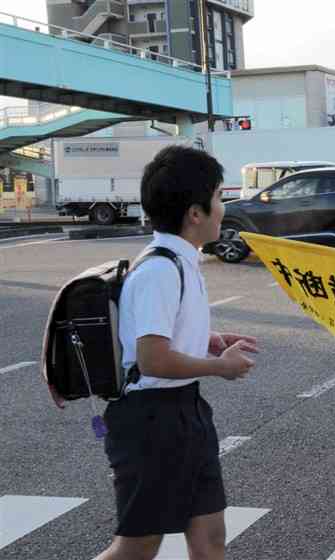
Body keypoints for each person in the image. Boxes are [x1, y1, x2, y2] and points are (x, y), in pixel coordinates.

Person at [95, 146, 260, 560]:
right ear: (195, 213)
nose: (225, 207)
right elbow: (152, 359)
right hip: (152, 421)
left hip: (184, 410)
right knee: (138, 547)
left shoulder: (182, 261)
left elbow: (161, 335)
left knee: (210, 535)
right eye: (220, 196)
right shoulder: (159, 270)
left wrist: (208, 338)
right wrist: (219, 368)